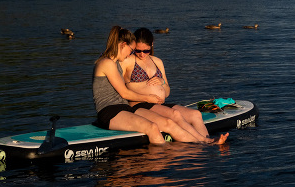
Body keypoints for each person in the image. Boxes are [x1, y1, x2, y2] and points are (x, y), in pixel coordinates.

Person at [93, 26, 227, 145]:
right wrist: (148, 97)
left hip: (125, 108)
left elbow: (165, 88)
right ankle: (162, 165)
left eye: (144, 50)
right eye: (133, 50)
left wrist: (161, 84)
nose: (134, 53)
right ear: (123, 45)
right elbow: (124, 93)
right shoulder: (109, 63)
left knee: (168, 123)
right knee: (154, 127)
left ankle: (204, 142)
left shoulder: (115, 62)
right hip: (113, 111)